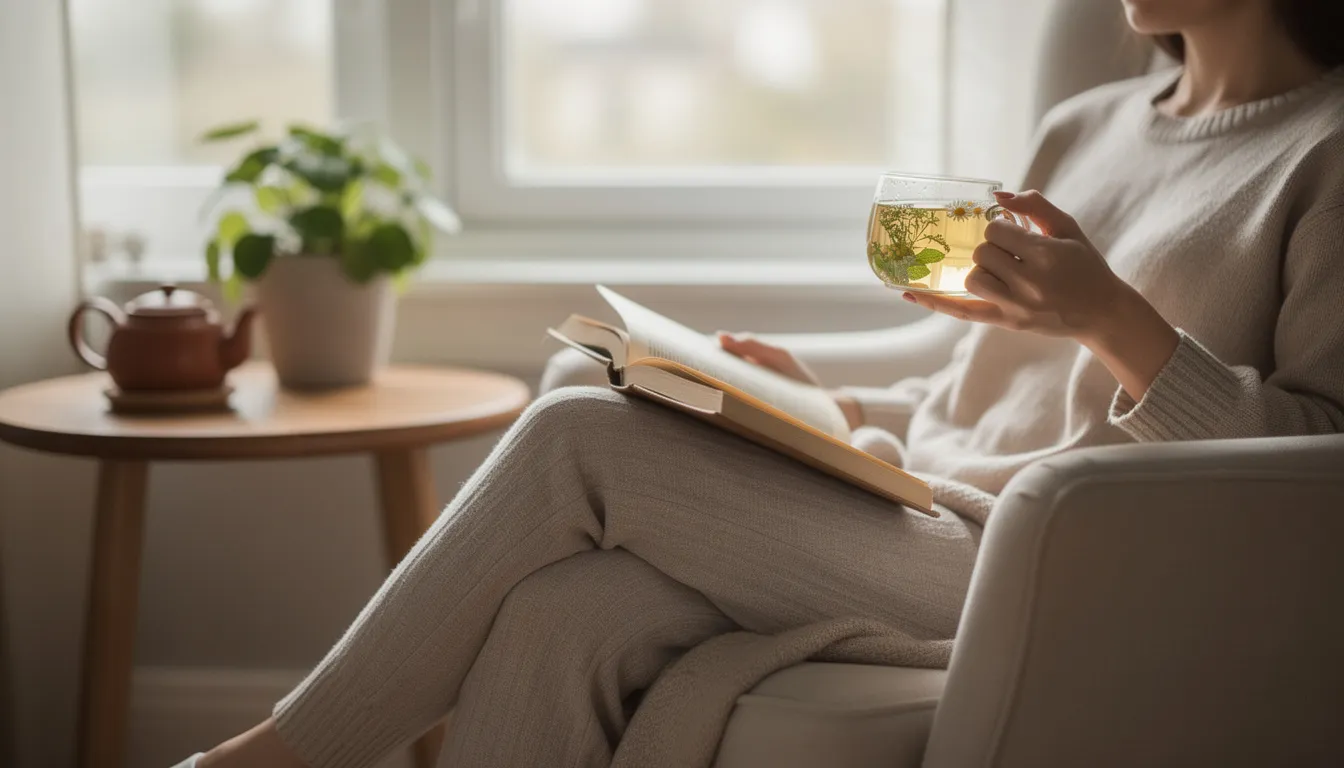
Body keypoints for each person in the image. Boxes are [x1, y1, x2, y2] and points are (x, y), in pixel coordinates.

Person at [177, 0, 1344, 765]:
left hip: (1056, 562)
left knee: (581, 434)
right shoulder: (1088, 124)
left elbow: (1314, 461)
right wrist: (826, 407)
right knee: (567, 604)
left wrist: (1111, 317)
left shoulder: (1325, 149)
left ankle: (275, 758)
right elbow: (980, 382)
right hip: (921, 505)